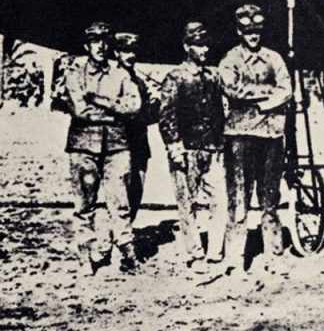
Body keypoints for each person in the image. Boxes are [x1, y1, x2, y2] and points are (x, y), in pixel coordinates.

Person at [60, 22, 142, 274]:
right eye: (95, 41)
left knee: (120, 202)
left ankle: (127, 255)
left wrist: (99, 101)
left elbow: (134, 106)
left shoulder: (120, 74)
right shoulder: (75, 73)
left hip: (117, 147)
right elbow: (79, 110)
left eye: (105, 41)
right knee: (85, 205)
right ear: (87, 45)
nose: (101, 46)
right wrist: (115, 112)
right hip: (84, 147)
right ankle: (86, 255)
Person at [219, 4, 293, 273]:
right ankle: (235, 258)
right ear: (239, 32)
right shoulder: (230, 60)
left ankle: (273, 255)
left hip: (271, 133)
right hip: (240, 135)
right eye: (247, 32)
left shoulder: (274, 58)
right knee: (238, 198)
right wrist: (267, 95)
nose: (253, 36)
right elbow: (232, 90)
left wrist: (261, 102)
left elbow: (286, 90)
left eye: (257, 31)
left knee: (270, 198)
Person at [159, 22, 238, 272]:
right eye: (198, 45)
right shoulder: (175, 78)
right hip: (187, 150)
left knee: (221, 201)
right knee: (187, 203)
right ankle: (194, 254)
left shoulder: (212, 77)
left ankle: (215, 251)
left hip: (213, 149)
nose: (203, 50)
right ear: (186, 47)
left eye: (205, 45)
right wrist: (174, 145)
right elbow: (167, 116)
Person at [114, 32, 160, 222]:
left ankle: (128, 230)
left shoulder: (140, 82)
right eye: (125, 51)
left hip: (139, 143)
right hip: (118, 143)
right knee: (119, 192)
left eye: (133, 51)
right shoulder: (111, 79)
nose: (130, 55)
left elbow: (147, 117)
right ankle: (119, 234)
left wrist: (156, 105)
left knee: (136, 190)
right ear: (116, 53)